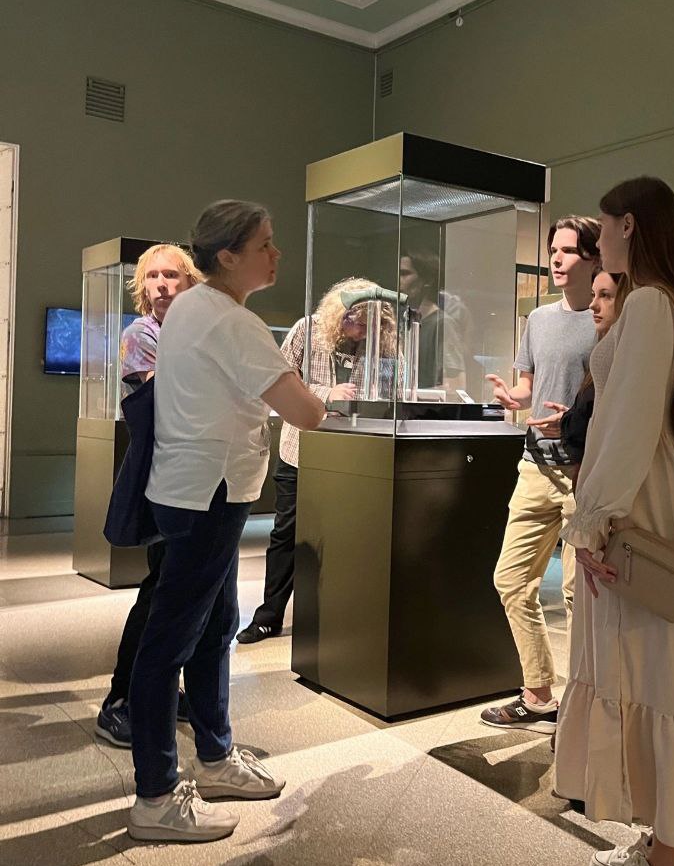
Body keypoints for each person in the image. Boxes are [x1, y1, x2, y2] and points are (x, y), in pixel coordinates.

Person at [127, 200, 329, 843]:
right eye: (265, 244)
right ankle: (156, 797)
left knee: (215, 626)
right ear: (227, 256)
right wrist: (317, 392)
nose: (275, 254)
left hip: (192, 488)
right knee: (169, 643)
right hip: (207, 494)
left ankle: (214, 756)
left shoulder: (192, 307)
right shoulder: (232, 321)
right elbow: (307, 412)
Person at [556, 176, 674, 866]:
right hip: (647, 505)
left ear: (629, 224)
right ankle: (664, 848)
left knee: (662, 672)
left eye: (604, 229)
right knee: (653, 670)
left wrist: (592, 521)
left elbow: (626, 424)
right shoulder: (657, 302)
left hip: (642, 513)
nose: (598, 243)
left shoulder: (652, 304)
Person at [479, 216, 600, 733]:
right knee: (511, 579)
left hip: (583, 471)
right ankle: (539, 693)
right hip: (535, 464)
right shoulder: (538, 318)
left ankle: (583, 706)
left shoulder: (606, 318)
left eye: (568, 250)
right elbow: (530, 385)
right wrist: (514, 398)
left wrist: (574, 423)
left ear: (593, 258)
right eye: (553, 249)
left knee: (579, 596)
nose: (555, 258)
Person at [236, 277, 398, 644]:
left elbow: (394, 386)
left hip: (354, 455)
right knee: (286, 534)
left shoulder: (384, 342)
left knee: (348, 536)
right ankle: (268, 616)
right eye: (357, 323)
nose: (361, 332)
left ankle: (339, 618)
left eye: (369, 326)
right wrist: (328, 393)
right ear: (342, 315)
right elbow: (280, 378)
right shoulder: (306, 330)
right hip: (301, 450)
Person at [95, 243, 202, 748]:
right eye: (153, 276)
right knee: (160, 590)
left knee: (178, 592)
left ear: (189, 281)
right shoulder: (142, 334)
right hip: (164, 483)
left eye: (171, 275)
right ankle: (120, 700)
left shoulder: (191, 332)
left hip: (192, 482)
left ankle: (158, 689)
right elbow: (178, 398)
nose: (161, 284)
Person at [528, 270, 623, 477]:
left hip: (589, 463)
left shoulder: (621, 351)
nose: (594, 304)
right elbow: (527, 387)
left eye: (605, 295)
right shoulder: (537, 318)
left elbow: (614, 419)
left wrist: (569, 423)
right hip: (541, 456)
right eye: (593, 294)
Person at [398, 251, 466, 392]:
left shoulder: (442, 324)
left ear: (427, 280)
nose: (399, 280)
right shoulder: (404, 321)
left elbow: (455, 386)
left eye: (405, 274)